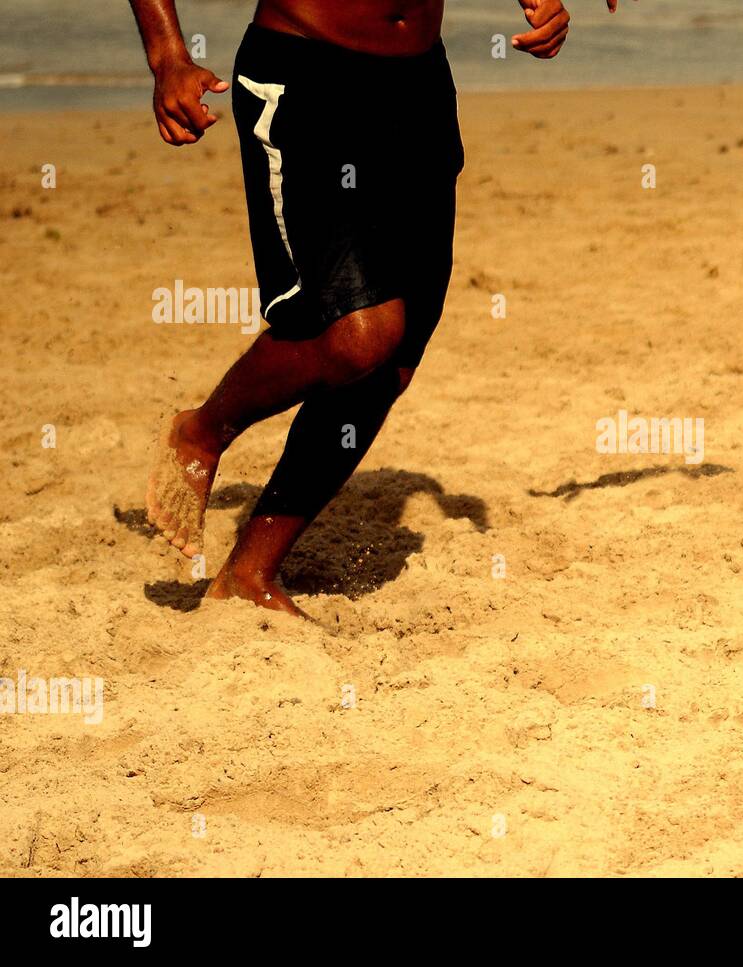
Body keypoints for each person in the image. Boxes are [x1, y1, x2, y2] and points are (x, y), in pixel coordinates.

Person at [132, 0, 630, 616]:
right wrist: (167, 56)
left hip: (417, 83)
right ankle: (203, 430)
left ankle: (250, 571)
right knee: (359, 335)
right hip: (307, 77)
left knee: (394, 360)